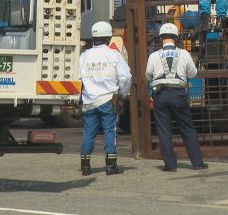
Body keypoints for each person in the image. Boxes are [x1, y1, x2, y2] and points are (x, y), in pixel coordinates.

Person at [145, 23, 207, 171]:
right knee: (187, 128)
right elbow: (193, 73)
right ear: (176, 38)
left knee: (164, 130)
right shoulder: (184, 54)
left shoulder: (154, 56)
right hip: (179, 93)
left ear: (161, 38)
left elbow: (148, 74)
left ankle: (170, 165)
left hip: (160, 93)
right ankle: (197, 163)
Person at [79, 21, 132, 176]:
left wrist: (79, 97)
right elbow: (126, 77)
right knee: (109, 131)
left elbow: (77, 79)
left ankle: (85, 166)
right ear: (108, 38)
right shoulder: (114, 55)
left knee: (88, 132)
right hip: (108, 99)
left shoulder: (84, 56)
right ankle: (111, 166)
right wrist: (122, 93)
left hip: (89, 101)